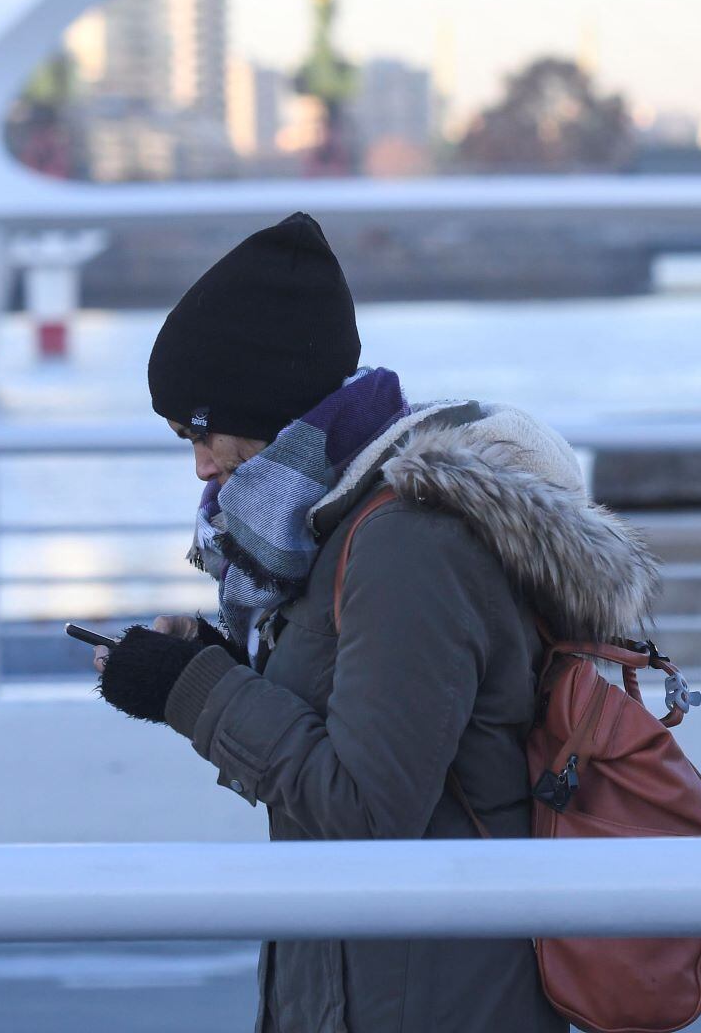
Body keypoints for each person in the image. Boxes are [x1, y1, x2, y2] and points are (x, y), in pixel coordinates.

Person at [92, 213, 660, 1032]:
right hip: (373, 978)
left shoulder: (406, 543)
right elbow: (348, 738)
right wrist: (213, 668)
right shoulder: (333, 521)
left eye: (202, 430)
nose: (201, 465)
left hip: (431, 996)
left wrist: (199, 691)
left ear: (266, 401)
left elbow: (365, 809)